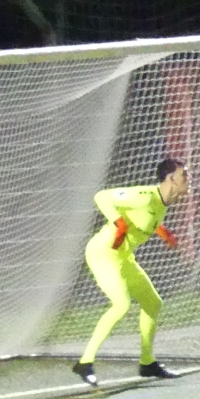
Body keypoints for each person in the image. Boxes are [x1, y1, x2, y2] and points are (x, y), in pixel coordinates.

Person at [72, 158, 189, 386]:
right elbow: (101, 197)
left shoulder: (162, 202)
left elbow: (144, 219)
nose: (188, 180)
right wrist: (119, 223)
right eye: (183, 175)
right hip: (102, 253)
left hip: (123, 256)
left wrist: (163, 233)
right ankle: (84, 363)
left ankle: (147, 363)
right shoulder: (144, 196)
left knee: (153, 303)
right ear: (171, 179)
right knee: (121, 304)